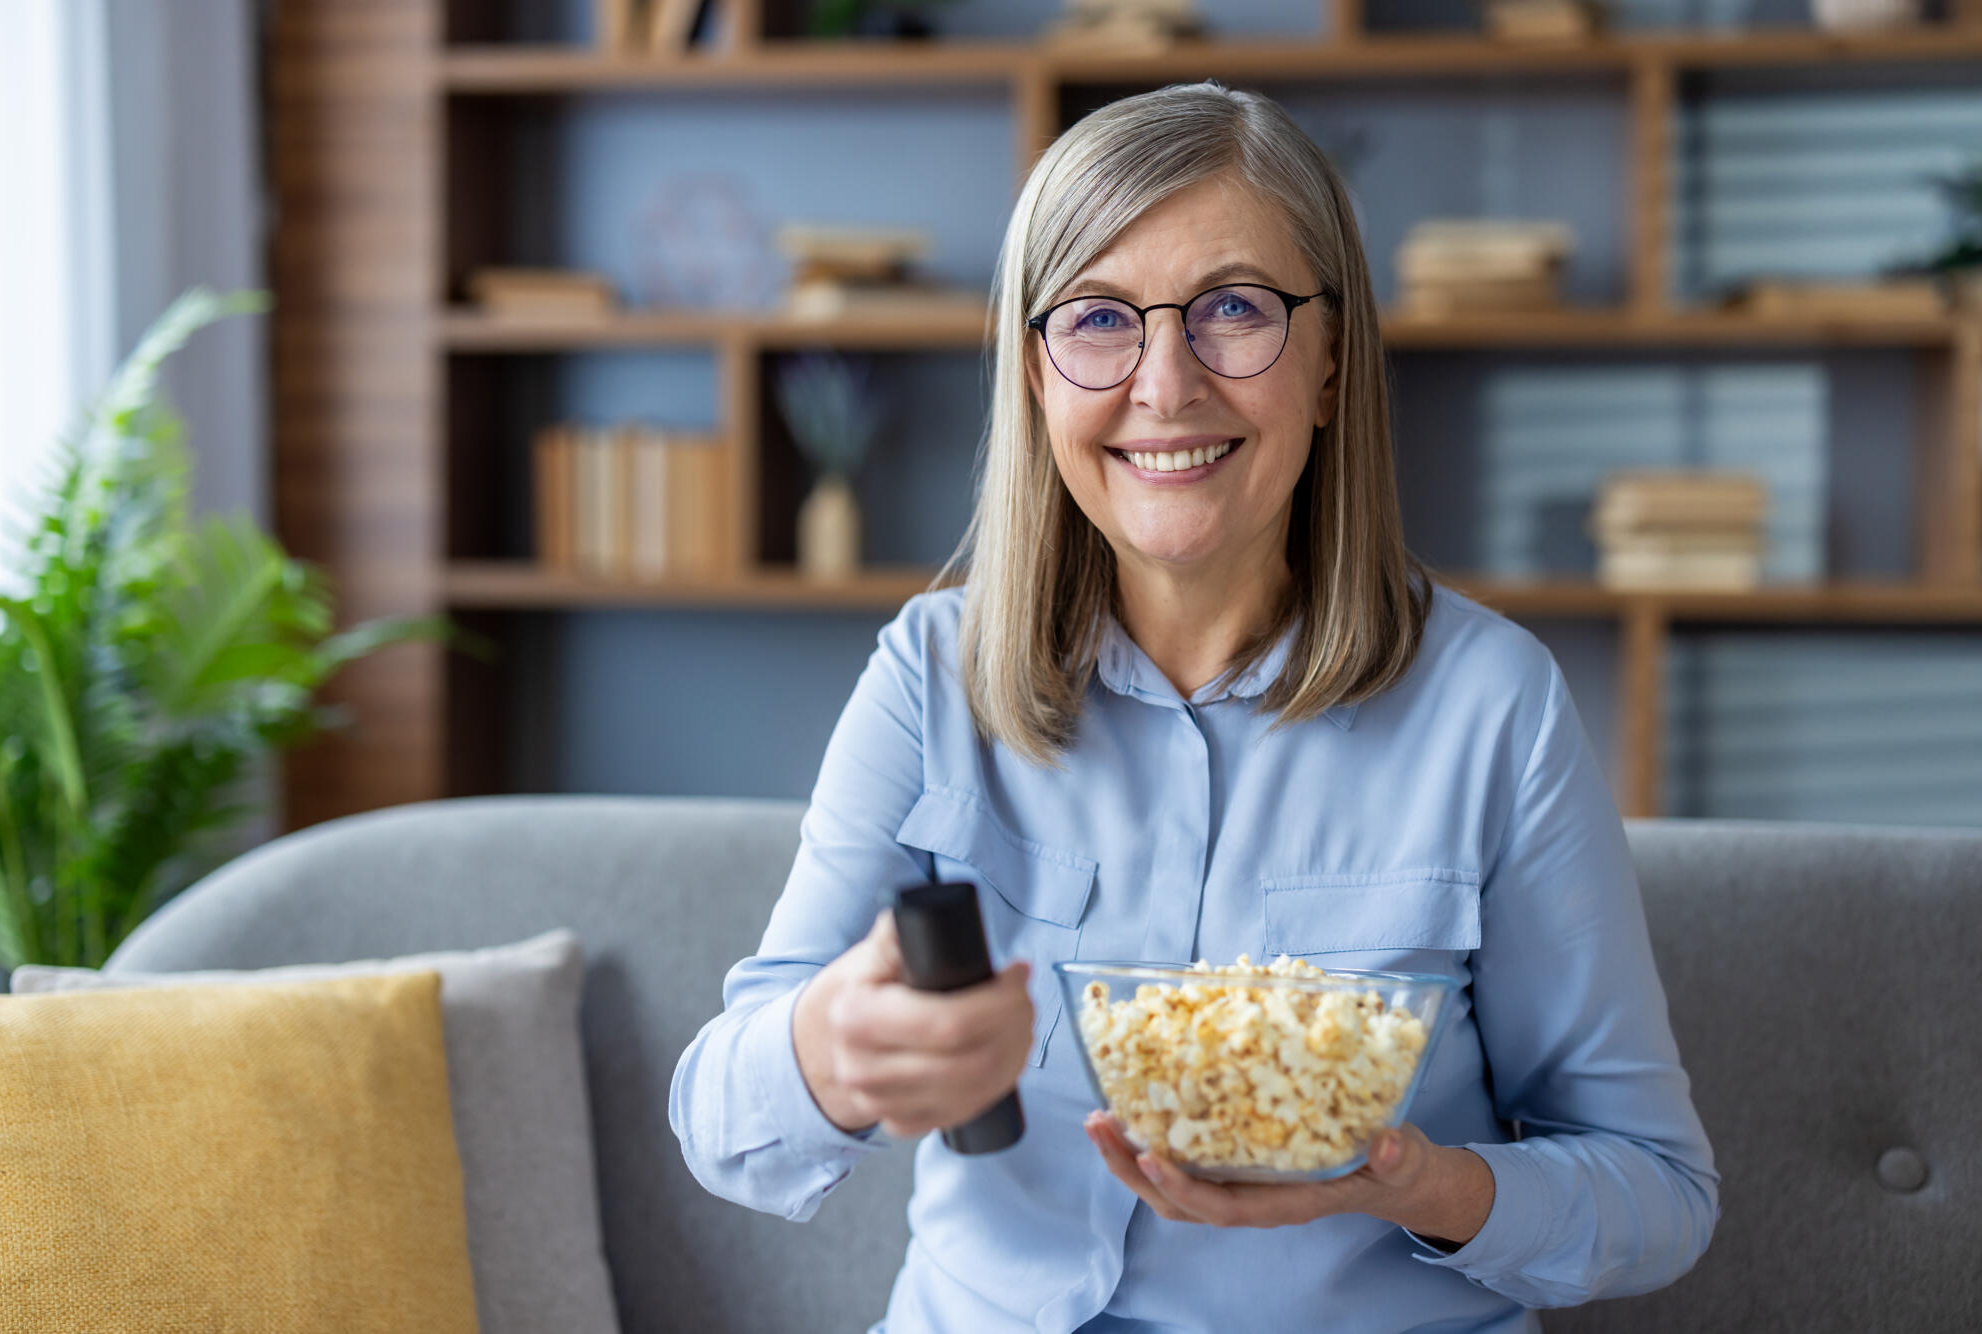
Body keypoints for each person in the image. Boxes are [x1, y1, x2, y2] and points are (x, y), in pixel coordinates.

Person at [669, 79, 1718, 1333]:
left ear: (1330, 363)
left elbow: (1657, 1193)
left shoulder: (1491, 705)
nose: (1163, 386)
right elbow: (719, 1123)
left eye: (1232, 309)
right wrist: (827, 1052)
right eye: (1099, 319)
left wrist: (1413, 1185)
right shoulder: (928, 676)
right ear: (1037, 377)